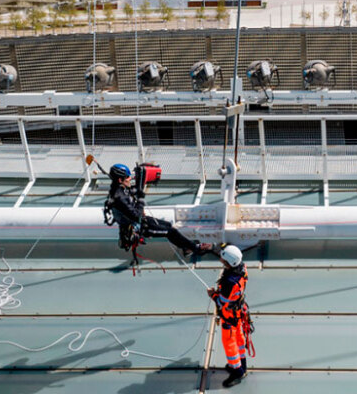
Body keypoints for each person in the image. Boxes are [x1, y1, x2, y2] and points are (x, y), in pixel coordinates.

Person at [103, 163, 209, 258]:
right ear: (120, 180)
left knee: (168, 225)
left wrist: (140, 183)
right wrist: (140, 201)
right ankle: (197, 248)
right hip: (140, 228)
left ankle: (186, 247)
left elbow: (130, 191)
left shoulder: (117, 189)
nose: (130, 178)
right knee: (170, 232)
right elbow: (137, 216)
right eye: (127, 177)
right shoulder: (119, 198)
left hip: (141, 222)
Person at [208, 244, 253, 388]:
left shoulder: (229, 283)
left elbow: (223, 302)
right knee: (239, 339)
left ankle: (238, 371)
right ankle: (242, 366)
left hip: (229, 317)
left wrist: (213, 295)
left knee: (230, 343)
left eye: (223, 260)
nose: (221, 261)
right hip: (238, 313)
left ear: (229, 263)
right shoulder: (242, 268)